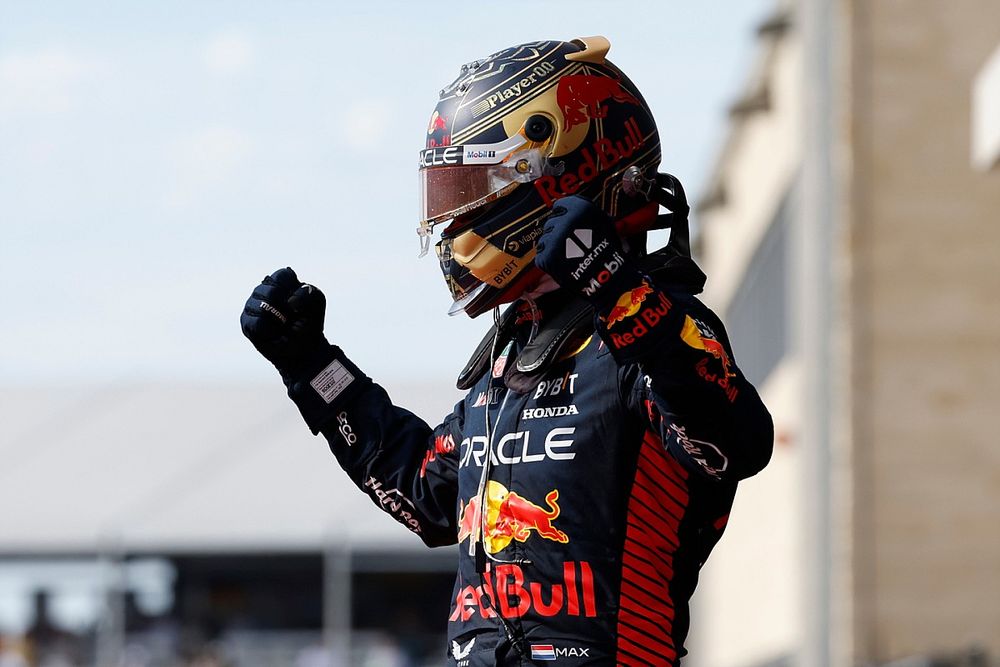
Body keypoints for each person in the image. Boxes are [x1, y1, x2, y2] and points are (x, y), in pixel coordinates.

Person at [242, 36, 773, 666]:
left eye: (477, 188)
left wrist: (619, 290)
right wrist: (312, 368)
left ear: (563, 173)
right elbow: (426, 496)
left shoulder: (660, 327)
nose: (456, 222)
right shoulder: (510, 359)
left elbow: (739, 440)